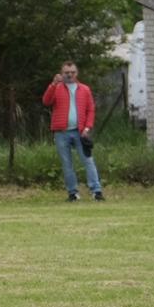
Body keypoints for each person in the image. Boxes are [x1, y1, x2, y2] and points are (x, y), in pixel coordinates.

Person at [44, 61, 104, 202]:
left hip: (80, 131)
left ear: (77, 73)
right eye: (67, 73)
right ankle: (73, 193)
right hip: (61, 132)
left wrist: (87, 127)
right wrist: (53, 84)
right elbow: (46, 101)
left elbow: (90, 110)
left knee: (88, 161)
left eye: (72, 72)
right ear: (61, 73)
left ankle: (96, 191)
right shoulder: (56, 88)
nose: (70, 75)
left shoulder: (85, 89)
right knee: (67, 164)